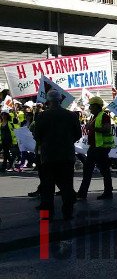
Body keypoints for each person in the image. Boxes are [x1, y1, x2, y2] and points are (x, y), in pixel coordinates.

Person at [32, 90, 82, 220]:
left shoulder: (42, 116)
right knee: (67, 185)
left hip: (48, 156)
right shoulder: (71, 115)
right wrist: (67, 141)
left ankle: (46, 216)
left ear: (48, 101)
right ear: (60, 100)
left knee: (47, 187)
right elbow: (78, 134)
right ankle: (68, 213)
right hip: (66, 155)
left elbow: (37, 136)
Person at [77, 97, 114, 200]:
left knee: (103, 170)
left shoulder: (104, 116)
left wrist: (91, 128)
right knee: (88, 170)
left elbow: (106, 129)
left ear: (97, 106)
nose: (90, 108)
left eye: (91, 106)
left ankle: (107, 192)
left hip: (101, 148)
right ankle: (82, 193)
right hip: (94, 147)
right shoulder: (94, 117)